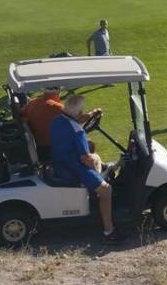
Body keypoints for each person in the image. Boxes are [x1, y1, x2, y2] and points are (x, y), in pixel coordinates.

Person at [49, 95, 121, 241]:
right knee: (106, 190)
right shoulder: (78, 131)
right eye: (82, 111)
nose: (83, 114)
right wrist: (97, 173)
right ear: (78, 112)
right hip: (73, 167)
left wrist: (91, 114)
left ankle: (105, 169)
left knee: (91, 148)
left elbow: (76, 120)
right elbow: (85, 158)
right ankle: (109, 230)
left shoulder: (57, 121)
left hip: (59, 161)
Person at [21, 88, 99, 160]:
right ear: (58, 91)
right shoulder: (58, 108)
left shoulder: (32, 103)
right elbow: (79, 119)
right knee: (89, 145)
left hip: (39, 147)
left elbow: (21, 113)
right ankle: (95, 168)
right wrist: (93, 113)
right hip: (53, 149)